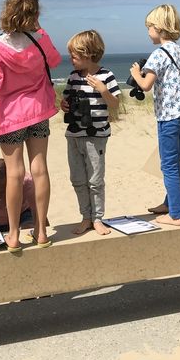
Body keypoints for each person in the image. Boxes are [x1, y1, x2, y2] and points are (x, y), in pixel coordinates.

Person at [0, 0, 61, 252]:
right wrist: (40, 31)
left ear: (7, 11)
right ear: (35, 13)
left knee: (14, 173)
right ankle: (41, 231)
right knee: (40, 169)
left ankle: (13, 235)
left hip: (9, 116)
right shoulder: (41, 40)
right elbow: (55, 61)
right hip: (38, 110)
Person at [129, 4, 180, 226]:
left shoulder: (159, 53)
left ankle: (176, 214)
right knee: (175, 161)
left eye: (149, 27)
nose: (148, 31)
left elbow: (146, 85)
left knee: (167, 164)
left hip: (169, 116)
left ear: (159, 28)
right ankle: (169, 203)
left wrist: (135, 74)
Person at [61, 30, 121, 235]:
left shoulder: (106, 75)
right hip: (74, 135)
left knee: (95, 180)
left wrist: (103, 90)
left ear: (88, 54)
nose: (71, 60)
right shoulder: (73, 77)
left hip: (97, 136)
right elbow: (66, 101)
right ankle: (86, 217)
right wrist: (64, 105)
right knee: (77, 179)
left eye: (74, 56)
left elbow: (114, 104)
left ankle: (97, 219)